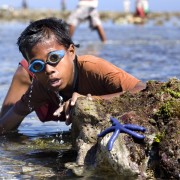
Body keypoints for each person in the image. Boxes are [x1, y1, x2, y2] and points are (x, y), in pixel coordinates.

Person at [0, 17, 146, 135]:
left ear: (71, 52)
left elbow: (142, 89)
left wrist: (92, 101)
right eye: (37, 65)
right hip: (40, 92)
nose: (49, 70)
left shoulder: (94, 68)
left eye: (54, 58)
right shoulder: (40, 86)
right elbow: (6, 126)